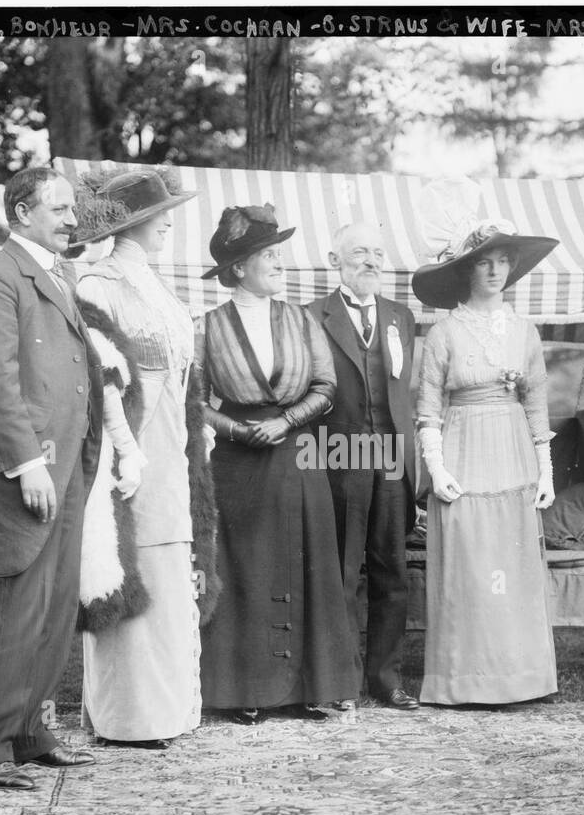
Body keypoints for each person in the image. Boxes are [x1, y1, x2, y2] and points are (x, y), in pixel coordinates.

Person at [0, 167, 103, 788]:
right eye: (62, 209)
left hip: (67, 466)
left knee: (53, 607)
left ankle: (31, 732)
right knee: (16, 608)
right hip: (28, 470)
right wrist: (25, 463)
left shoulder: (58, 273)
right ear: (22, 213)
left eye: (72, 209)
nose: (74, 219)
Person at [69, 166, 219, 750]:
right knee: (131, 561)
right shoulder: (98, 283)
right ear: (137, 222)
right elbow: (105, 377)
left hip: (173, 442)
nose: (169, 224)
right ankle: (130, 714)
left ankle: (169, 708)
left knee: (170, 562)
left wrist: (194, 428)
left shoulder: (157, 283)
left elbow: (185, 371)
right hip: (129, 438)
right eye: (162, 215)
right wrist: (126, 450)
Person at [197, 204, 360, 724]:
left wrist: (285, 423)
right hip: (238, 466)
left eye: (278, 254)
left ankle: (311, 687)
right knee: (246, 567)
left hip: (296, 456)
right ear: (239, 268)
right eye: (268, 255)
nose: (278, 263)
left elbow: (326, 386)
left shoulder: (301, 319)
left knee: (306, 562)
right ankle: (248, 690)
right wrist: (238, 429)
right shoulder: (206, 327)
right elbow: (195, 399)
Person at [411, 196, 560, 706]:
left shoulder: (525, 331)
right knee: (469, 566)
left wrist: (546, 472)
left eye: (503, 261)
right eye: (484, 261)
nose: (495, 270)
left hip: (513, 450)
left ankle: (519, 678)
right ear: (465, 269)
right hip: (463, 452)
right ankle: (464, 680)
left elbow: (537, 401)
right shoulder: (444, 332)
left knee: (510, 565)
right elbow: (427, 407)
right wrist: (437, 466)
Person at [305, 222, 419, 711]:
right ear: (336, 261)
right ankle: (342, 681)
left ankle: (386, 679)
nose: (371, 261)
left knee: (392, 569)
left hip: (391, 458)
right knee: (344, 572)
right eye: (359, 253)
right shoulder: (311, 315)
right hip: (338, 457)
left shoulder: (402, 316)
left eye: (378, 251)